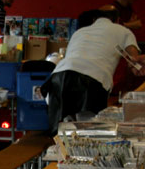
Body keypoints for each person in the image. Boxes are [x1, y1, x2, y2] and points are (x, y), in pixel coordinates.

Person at [41, 7, 139, 135]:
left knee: (60, 132)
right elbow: (135, 61)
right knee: (91, 132)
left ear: (95, 19)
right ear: (117, 19)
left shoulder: (79, 32)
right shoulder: (124, 31)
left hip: (59, 76)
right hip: (93, 78)